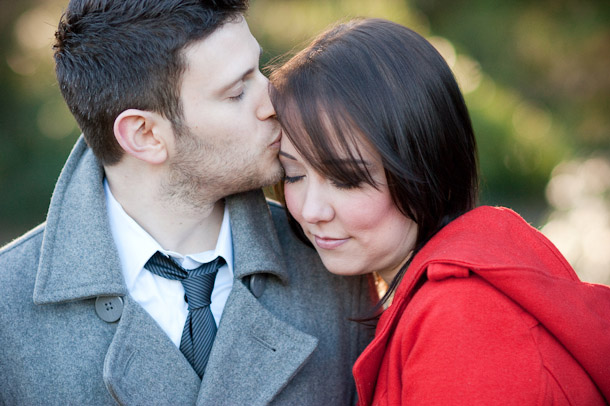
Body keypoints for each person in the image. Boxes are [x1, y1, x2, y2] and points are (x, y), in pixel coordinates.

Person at [0, 2, 374, 405]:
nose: (275, 102)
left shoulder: (333, 259)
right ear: (144, 135)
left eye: (259, 71)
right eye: (237, 91)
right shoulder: (7, 308)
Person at [270, 18, 610, 405]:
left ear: (424, 164)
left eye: (346, 179)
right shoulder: (432, 297)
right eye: (293, 174)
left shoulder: (464, 319)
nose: (311, 210)